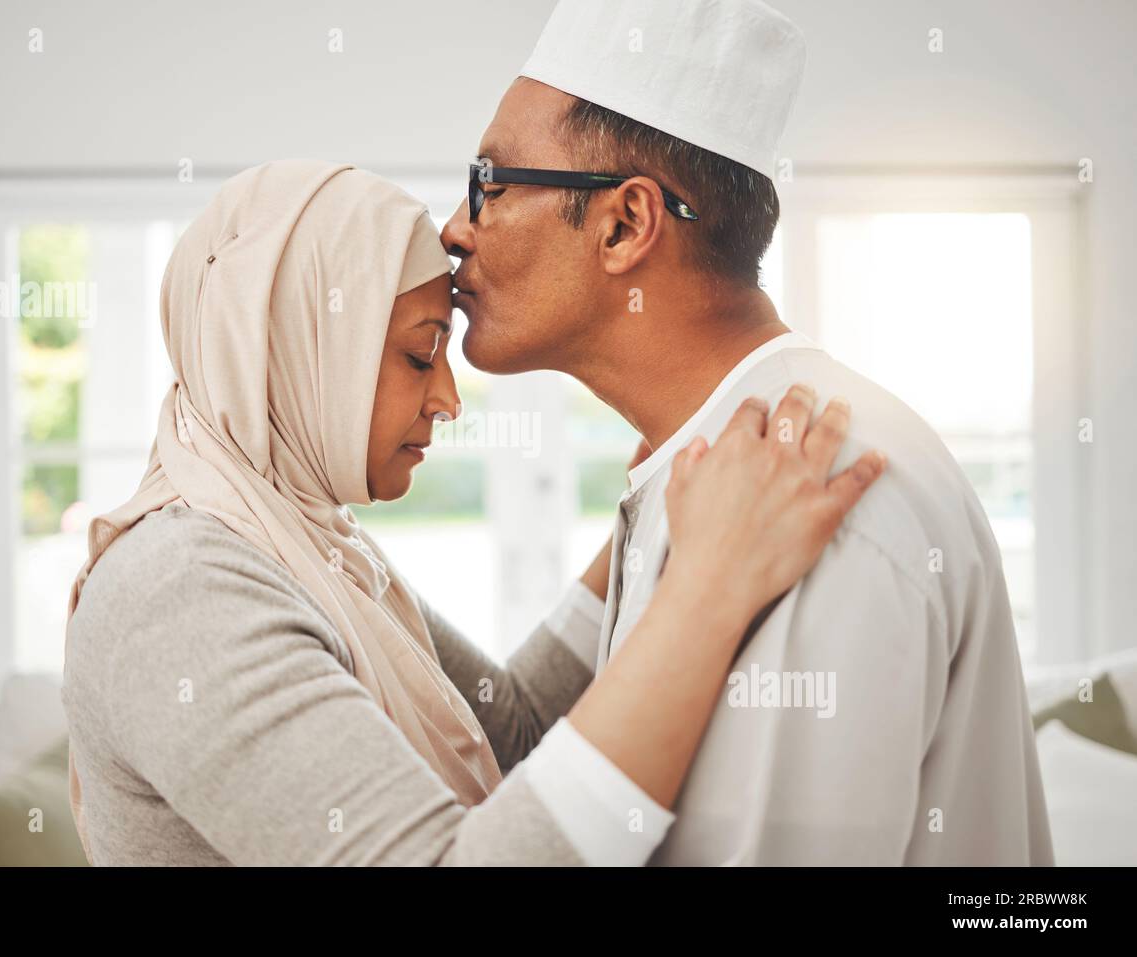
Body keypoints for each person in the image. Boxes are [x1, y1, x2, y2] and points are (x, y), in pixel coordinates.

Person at [59, 158, 883, 865]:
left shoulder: (310, 546)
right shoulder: (180, 591)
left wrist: (664, 492)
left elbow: (511, 728)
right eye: (420, 353)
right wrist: (710, 585)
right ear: (301, 346)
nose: (448, 397)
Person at [439, 0, 1053, 864]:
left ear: (624, 223)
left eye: (489, 185)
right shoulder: (718, 466)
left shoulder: (809, 487)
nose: (454, 230)